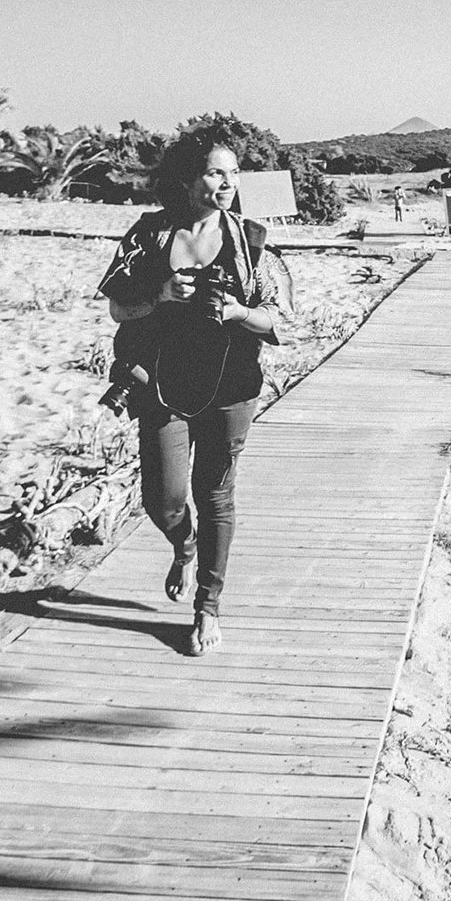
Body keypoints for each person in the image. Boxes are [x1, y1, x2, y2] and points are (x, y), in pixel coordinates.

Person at [97, 128, 287, 656]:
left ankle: (208, 607)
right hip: (161, 382)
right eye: (214, 172)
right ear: (186, 178)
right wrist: (159, 294)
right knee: (163, 500)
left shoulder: (251, 239)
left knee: (216, 495)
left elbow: (276, 316)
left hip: (232, 385)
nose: (226, 183)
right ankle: (184, 545)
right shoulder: (148, 234)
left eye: (232, 173)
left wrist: (238, 312)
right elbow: (117, 307)